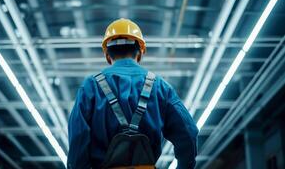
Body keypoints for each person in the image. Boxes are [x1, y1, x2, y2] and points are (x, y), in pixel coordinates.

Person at [67, 18, 198, 169]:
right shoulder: (161, 87)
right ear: (140, 52)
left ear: (107, 55)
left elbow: (77, 138)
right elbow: (189, 133)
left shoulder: (90, 87)